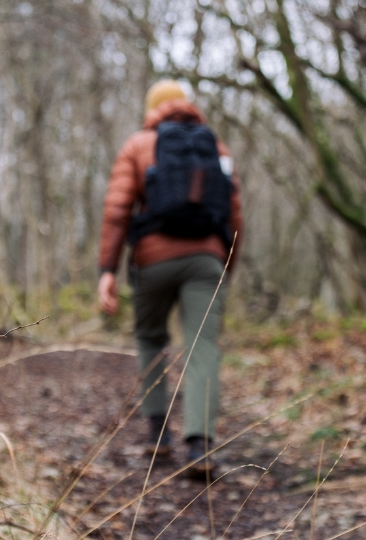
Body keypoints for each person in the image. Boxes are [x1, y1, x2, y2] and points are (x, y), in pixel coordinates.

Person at [97, 80, 242, 477]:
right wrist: (226, 263)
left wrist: (107, 270)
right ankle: (199, 446)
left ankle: (158, 435)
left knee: (150, 338)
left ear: (152, 107)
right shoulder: (216, 146)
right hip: (206, 258)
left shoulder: (137, 145)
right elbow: (234, 213)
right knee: (202, 346)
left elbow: (117, 210)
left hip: (152, 259)